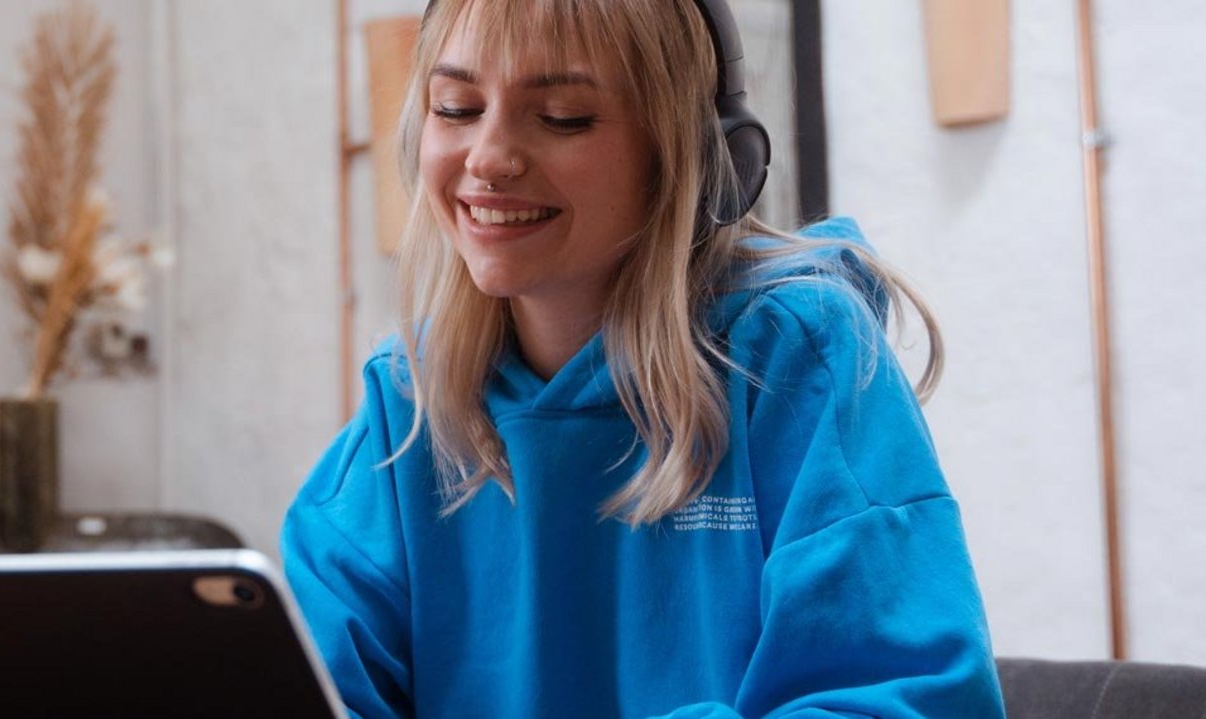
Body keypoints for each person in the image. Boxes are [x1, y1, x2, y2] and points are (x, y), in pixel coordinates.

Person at [279, 0, 1008, 717]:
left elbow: (899, 698)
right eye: (456, 107)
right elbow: (308, 676)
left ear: (697, 156)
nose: (489, 158)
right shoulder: (408, 398)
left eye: (563, 115)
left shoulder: (797, 356)